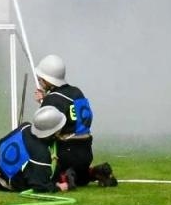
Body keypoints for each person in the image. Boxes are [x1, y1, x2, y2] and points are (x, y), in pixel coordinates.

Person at [33, 53, 116, 188]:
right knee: (80, 177)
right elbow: (68, 111)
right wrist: (46, 99)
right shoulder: (77, 92)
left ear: (48, 79)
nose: (40, 81)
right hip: (86, 152)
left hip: (66, 153)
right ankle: (93, 172)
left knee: (42, 173)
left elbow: (43, 131)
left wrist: (43, 104)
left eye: (41, 79)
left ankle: (64, 176)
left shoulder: (52, 100)